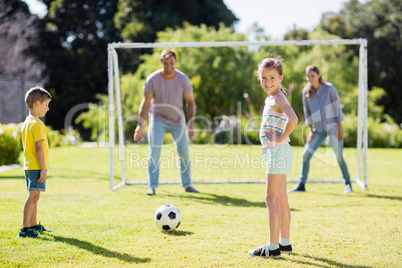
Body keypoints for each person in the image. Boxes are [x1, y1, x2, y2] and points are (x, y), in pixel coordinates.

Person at [248, 58, 298, 258]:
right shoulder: (272, 98)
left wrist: (281, 137)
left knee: (270, 199)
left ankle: (273, 247)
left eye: (272, 78)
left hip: (277, 152)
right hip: (278, 152)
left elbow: (294, 119)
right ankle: (284, 243)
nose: (268, 82)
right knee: (282, 199)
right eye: (264, 78)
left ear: (281, 78)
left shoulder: (278, 97)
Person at [133, 49, 199, 195]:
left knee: (184, 153)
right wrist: (139, 125)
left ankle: (187, 185)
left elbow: (190, 102)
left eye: (172, 63)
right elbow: (145, 103)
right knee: (154, 152)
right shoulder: (153, 79)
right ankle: (152, 186)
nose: (169, 66)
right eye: (166, 63)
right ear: (161, 62)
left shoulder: (183, 79)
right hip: (158, 119)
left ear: (175, 63)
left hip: (178, 120)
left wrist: (191, 124)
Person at [289, 65, 353, 194]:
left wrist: (339, 129)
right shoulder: (306, 92)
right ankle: (301, 184)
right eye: (308, 76)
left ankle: (348, 184)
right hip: (317, 130)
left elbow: (337, 109)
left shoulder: (329, 88)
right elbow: (307, 113)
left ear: (318, 75)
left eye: (312, 76)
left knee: (338, 157)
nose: (310, 78)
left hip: (333, 127)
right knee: (305, 155)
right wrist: (311, 131)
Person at [18, 86, 53, 238]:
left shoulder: (27, 122)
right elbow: (39, 148)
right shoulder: (38, 124)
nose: (48, 108)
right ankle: (25, 229)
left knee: (35, 197)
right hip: (36, 166)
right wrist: (43, 169)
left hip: (29, 166)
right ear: (37, 104)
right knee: (32, 197)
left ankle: (32, 225)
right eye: (46, 105)